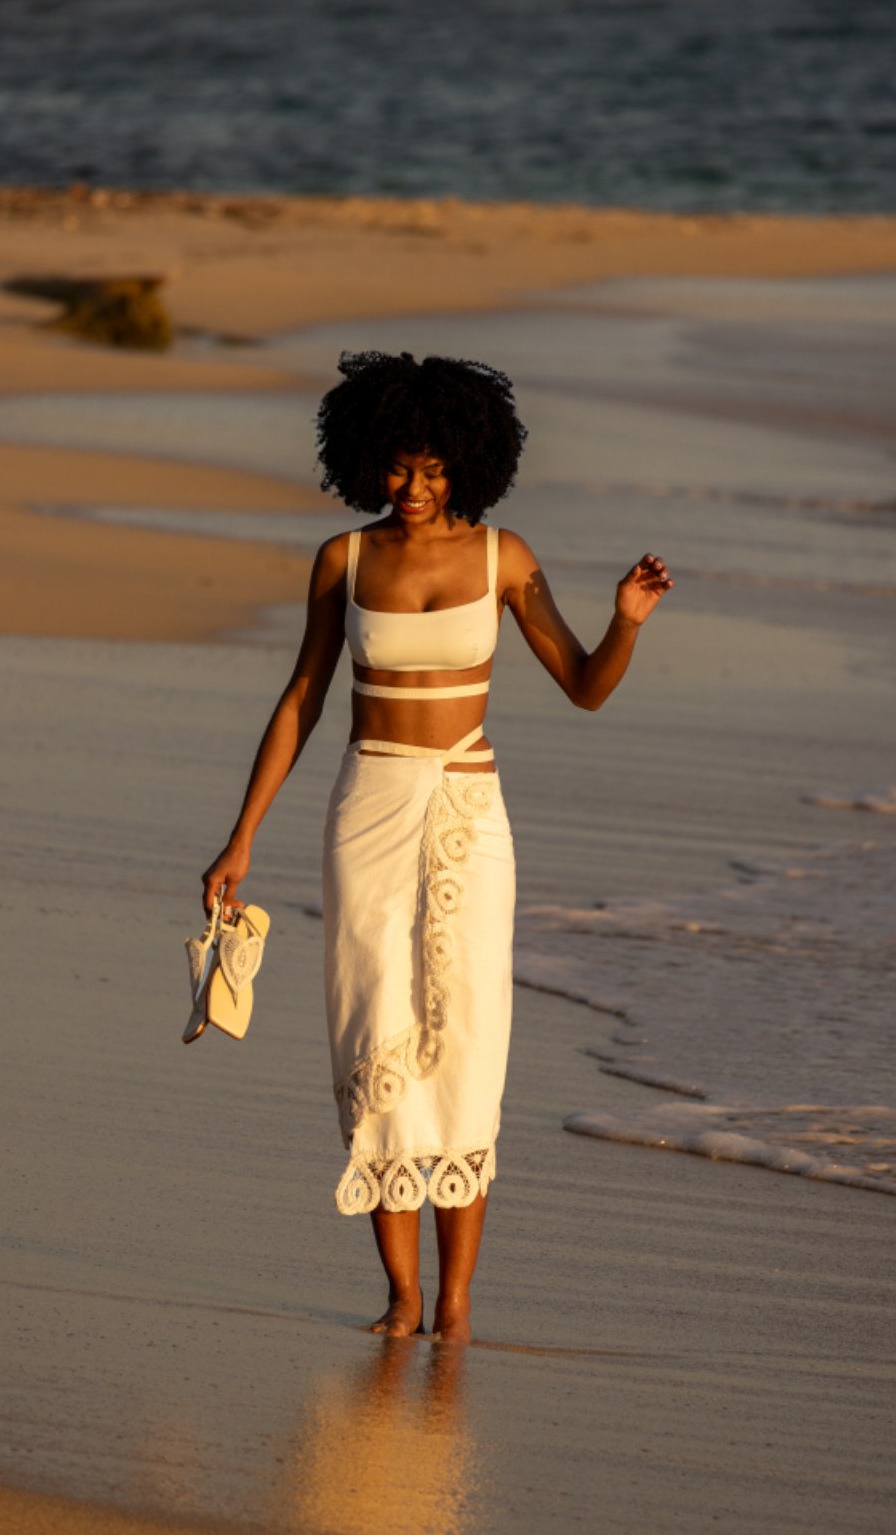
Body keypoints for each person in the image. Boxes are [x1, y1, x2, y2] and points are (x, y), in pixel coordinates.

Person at [202, 350, 673, 1344]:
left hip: (467, 812)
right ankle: (401, 1298)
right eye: (397, 469)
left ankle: (455, 1306)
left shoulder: (505, 559)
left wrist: (625, 624)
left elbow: (586, 684)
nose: (412, 490)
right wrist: (241, 836)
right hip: (367, 805)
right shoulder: (345, 559)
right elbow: (302, 697)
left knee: (463, 1041)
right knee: (373, 1033)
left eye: (432, 470)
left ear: (467, 463)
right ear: (369, 458)